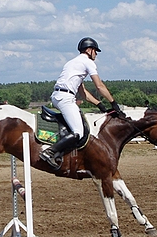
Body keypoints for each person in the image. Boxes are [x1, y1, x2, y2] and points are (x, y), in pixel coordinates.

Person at [40, 37, 123, 168]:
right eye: (95, 51)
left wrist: (99, 105)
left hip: (59, 95)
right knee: (78, 132)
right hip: (65, 98)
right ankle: (50, 152)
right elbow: (99, 86)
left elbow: (83, 92)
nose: (96, 54)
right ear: (89, 50)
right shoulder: (88, 62)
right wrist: (113, 103)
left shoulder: (73, 63)